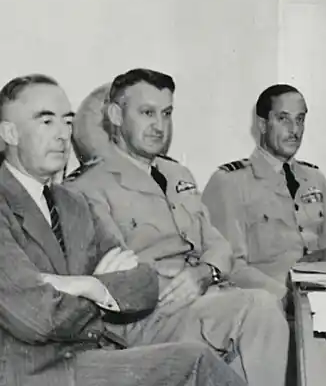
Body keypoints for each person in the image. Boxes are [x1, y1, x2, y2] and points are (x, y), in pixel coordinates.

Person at [0, 74, 244, 386]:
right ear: (10, 132)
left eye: (67, 121)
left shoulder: (71, 202)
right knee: (195, 365)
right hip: (33, 373)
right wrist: (101, 289)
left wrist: (87, 285)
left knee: (197, 359)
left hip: (88, 357)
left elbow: (141, 284)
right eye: (46, 122)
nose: (62, 135)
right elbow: (38, 318)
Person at [65, 68, 288, 385]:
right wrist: (182, 279)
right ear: (115, 115)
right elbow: (115, 278)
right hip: (151, 319)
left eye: (166, 113)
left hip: (206, 299)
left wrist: (203, 273)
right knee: (258, 308)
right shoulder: (86, 189)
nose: (159, 125)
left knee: (280, 311)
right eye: (147, 113)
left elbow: (218, 245)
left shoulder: (177, 175)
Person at [203, 84, 326, 298]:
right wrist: (289, 299)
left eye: (300, 119)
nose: (294, 130)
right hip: (269, 307)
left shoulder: (314, 178)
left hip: (322, 298)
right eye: (283, 119)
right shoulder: (229, 182)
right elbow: (230, 267)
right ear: (262, 124)